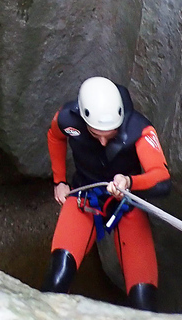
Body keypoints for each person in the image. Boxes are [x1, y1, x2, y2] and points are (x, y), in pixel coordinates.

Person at [42, 76, 171, 312]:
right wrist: (59, 180)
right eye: (95, 133)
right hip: (86, 198)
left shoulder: (139, 129)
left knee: (144, 301)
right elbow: (54, 136)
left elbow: (162, 179)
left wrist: (130, 182)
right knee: (56, 279)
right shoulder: (68, 118)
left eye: (109, 135)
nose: (102, 142)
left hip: (126, 205)